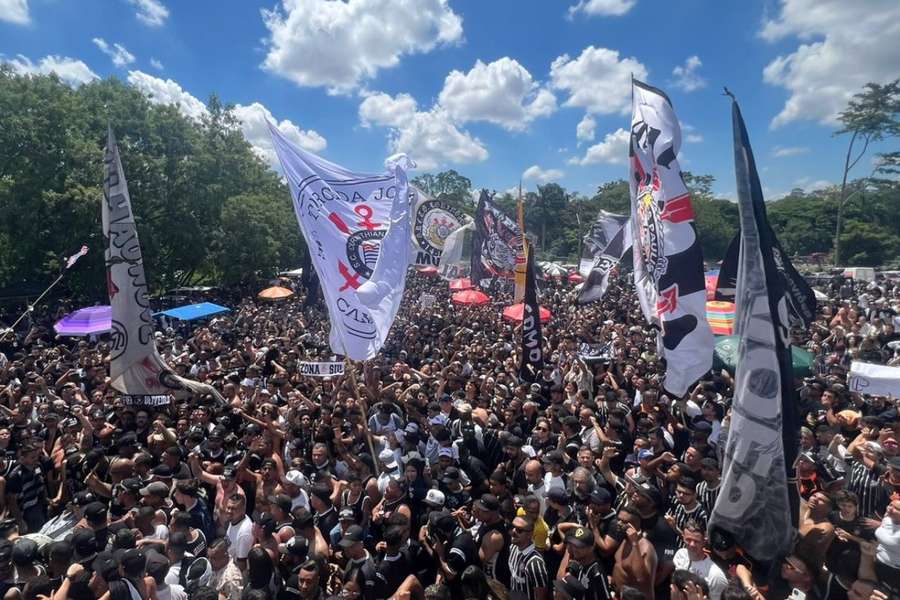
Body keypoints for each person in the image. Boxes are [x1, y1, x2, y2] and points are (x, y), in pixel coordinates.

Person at [672, 520, 727, 600]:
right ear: (683, 537)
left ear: (704, 541)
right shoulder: (680, 555)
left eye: (696, 541)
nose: (692, 544)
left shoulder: (715, 575)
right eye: (688, 539)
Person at [508, 516, 549, 600]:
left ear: (530, 534)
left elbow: (541, 596)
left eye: (519, 530)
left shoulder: (535, 562)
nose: (513, 531)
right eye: (512, 527)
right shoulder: (513, 548)